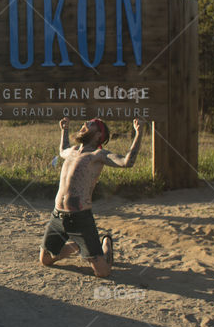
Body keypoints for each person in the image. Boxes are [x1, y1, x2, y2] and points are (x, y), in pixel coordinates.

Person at [39, 117, 145, 277]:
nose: (85, 124)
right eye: (85, 123)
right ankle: (76, 246)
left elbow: (127, 162)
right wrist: (64, 130)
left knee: (102, 272)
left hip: (80, 218)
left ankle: (106, 244)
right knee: (45, 260)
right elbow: (62, 151)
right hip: (58, 216)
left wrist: (138, 133)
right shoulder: (73, 150)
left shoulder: (98, 155)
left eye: (91, 125)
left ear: (98, 135)